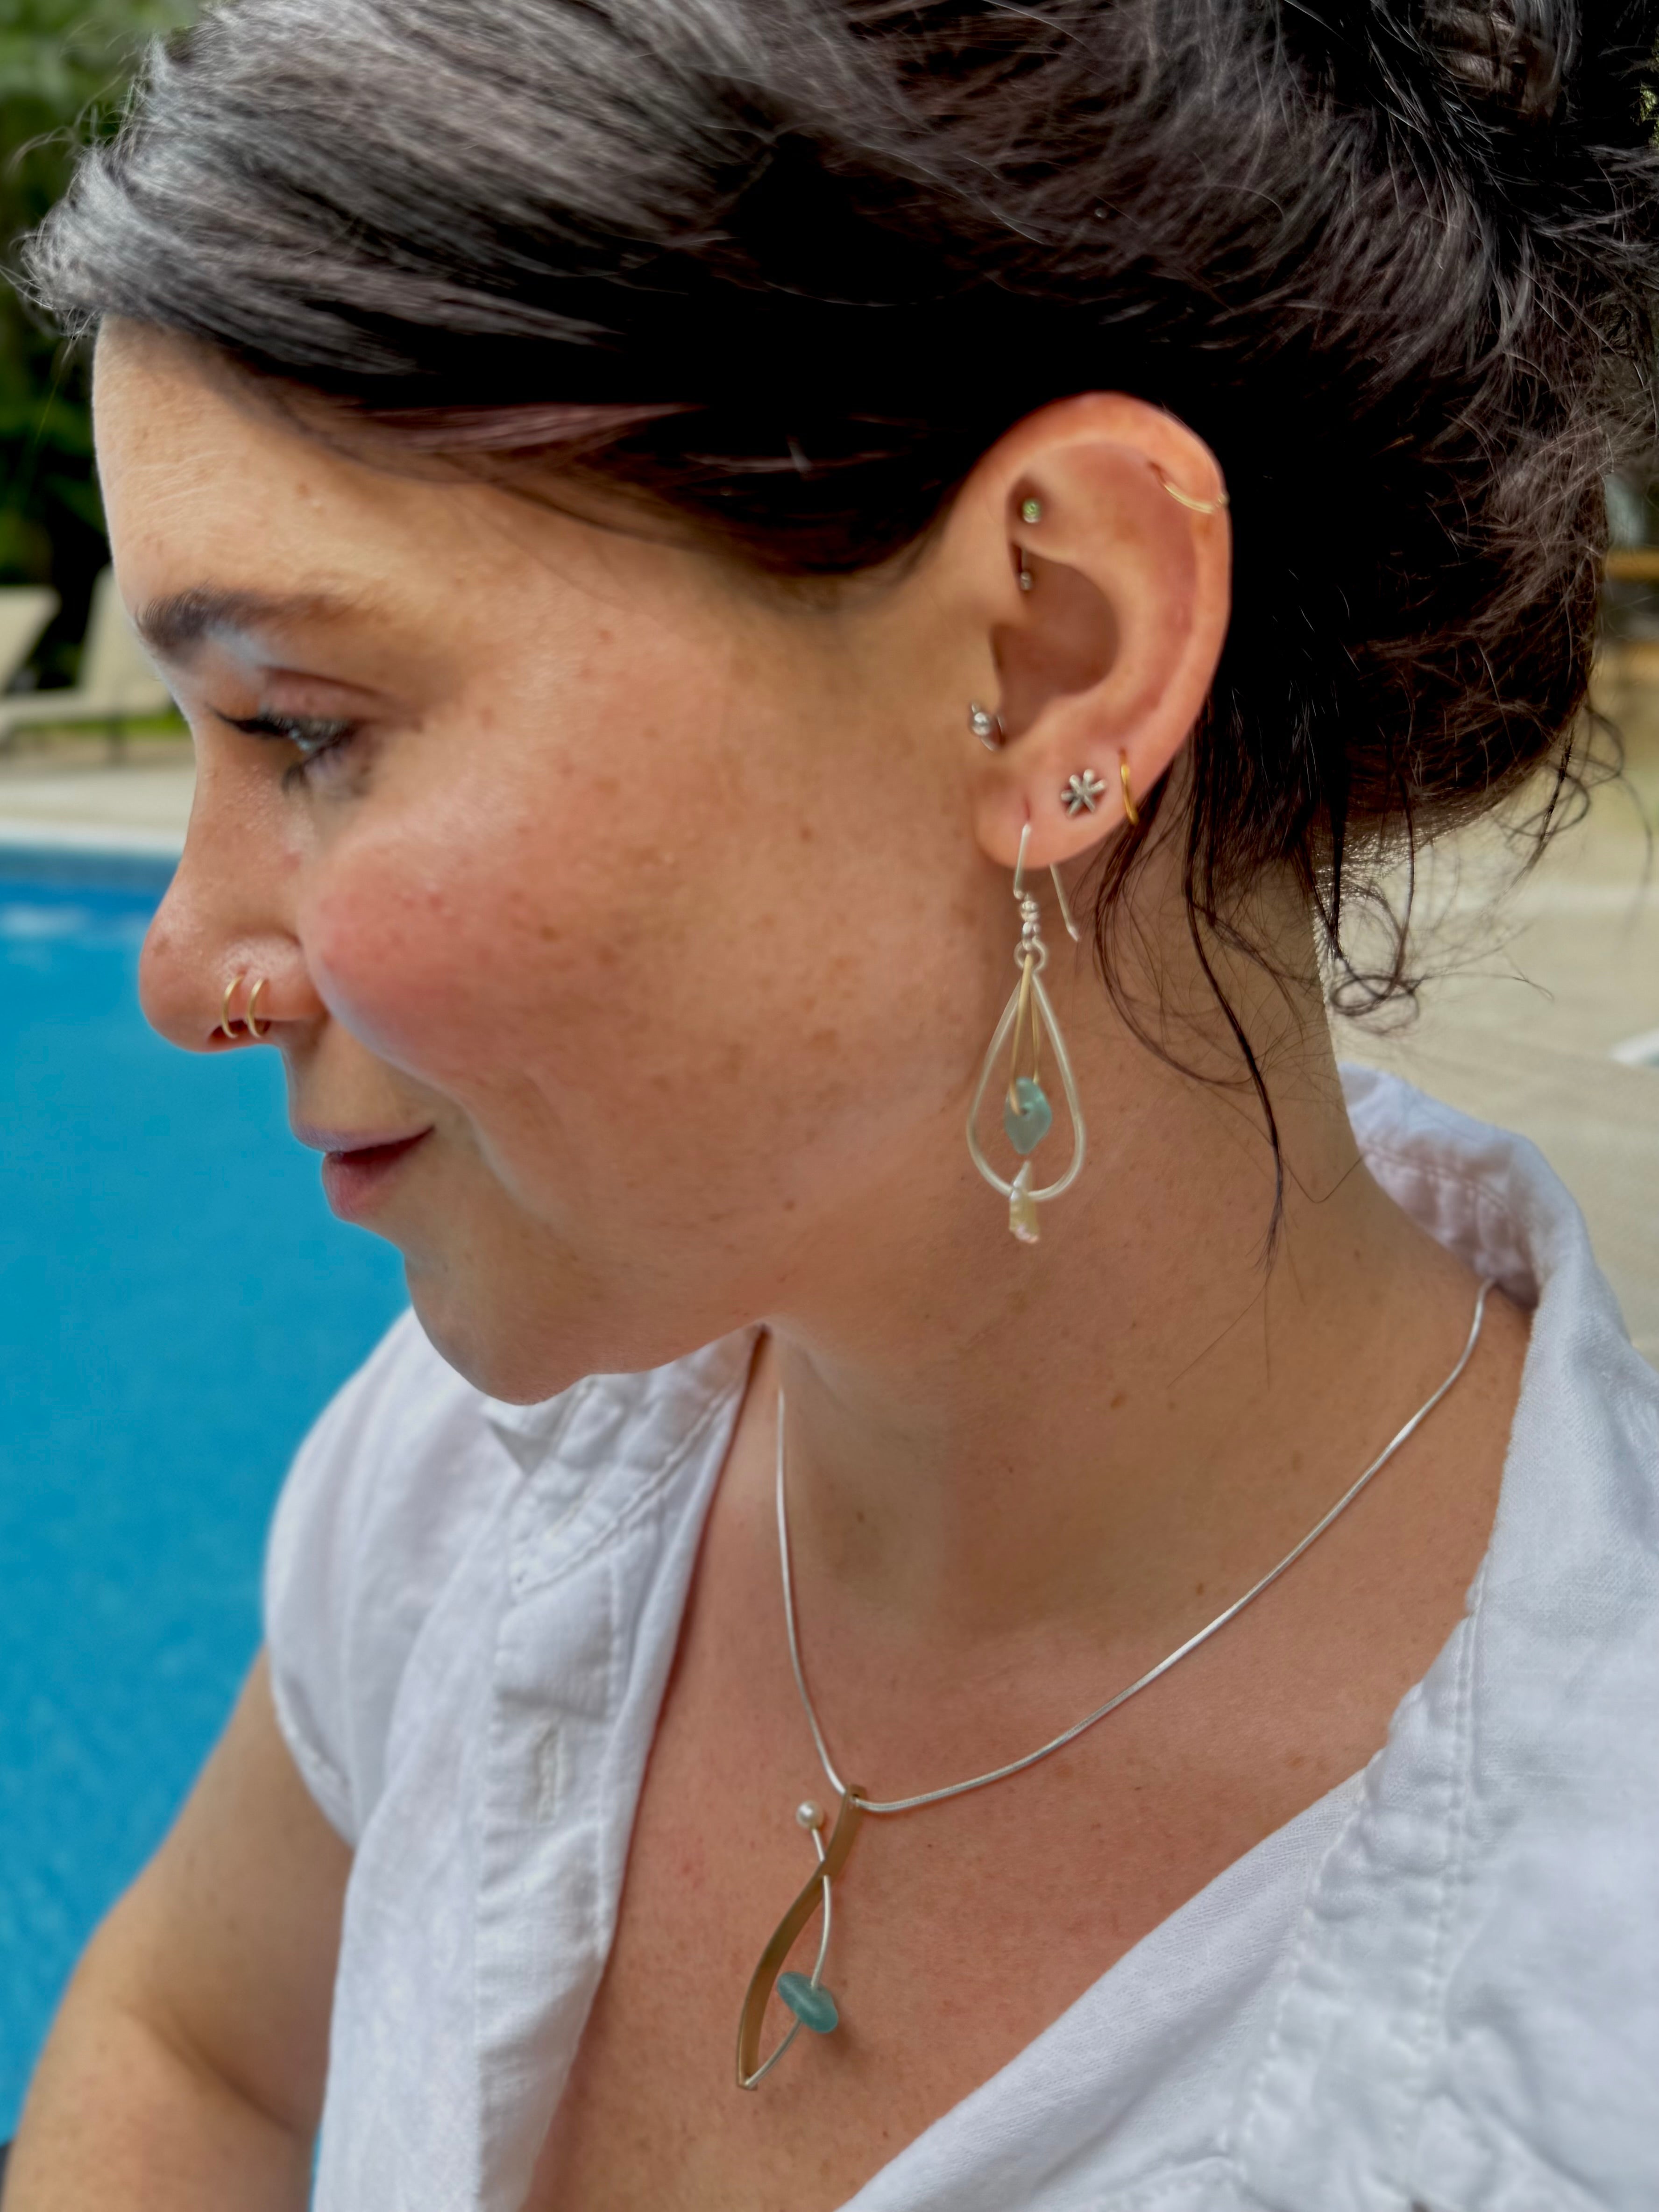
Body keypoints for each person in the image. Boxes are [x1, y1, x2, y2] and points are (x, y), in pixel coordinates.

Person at [8, 0, 1659, 2206]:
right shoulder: (481, 1477)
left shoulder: (1589, 2005)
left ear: (1052, 653)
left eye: (307, 724)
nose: (189, 968)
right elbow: (197, 2044)